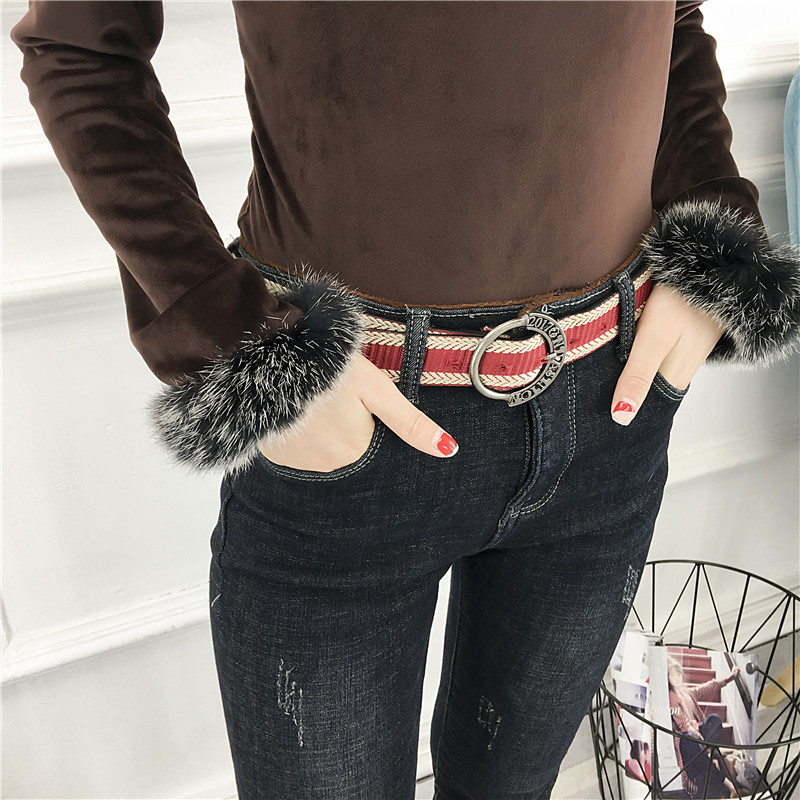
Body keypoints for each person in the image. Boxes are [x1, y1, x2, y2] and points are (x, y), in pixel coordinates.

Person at [10, 2, 800, 798]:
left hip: (608, 412)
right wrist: (234, 334)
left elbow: (675, 19)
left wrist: (718, 240)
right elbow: (78, 50)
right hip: (346, 437)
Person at [668, 657, 742, 798]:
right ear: (668, 678)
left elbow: (707, 688)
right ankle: (726, 783)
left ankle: (708, 753)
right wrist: (697, 734)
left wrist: (730, 678)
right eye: (672, 675)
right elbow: (683, 725)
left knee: (714, 719)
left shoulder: (686, 693)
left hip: (698, 735)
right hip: (687, 740)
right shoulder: (672, 698)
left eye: (678, 674)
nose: (676, 678)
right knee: (691, 737)